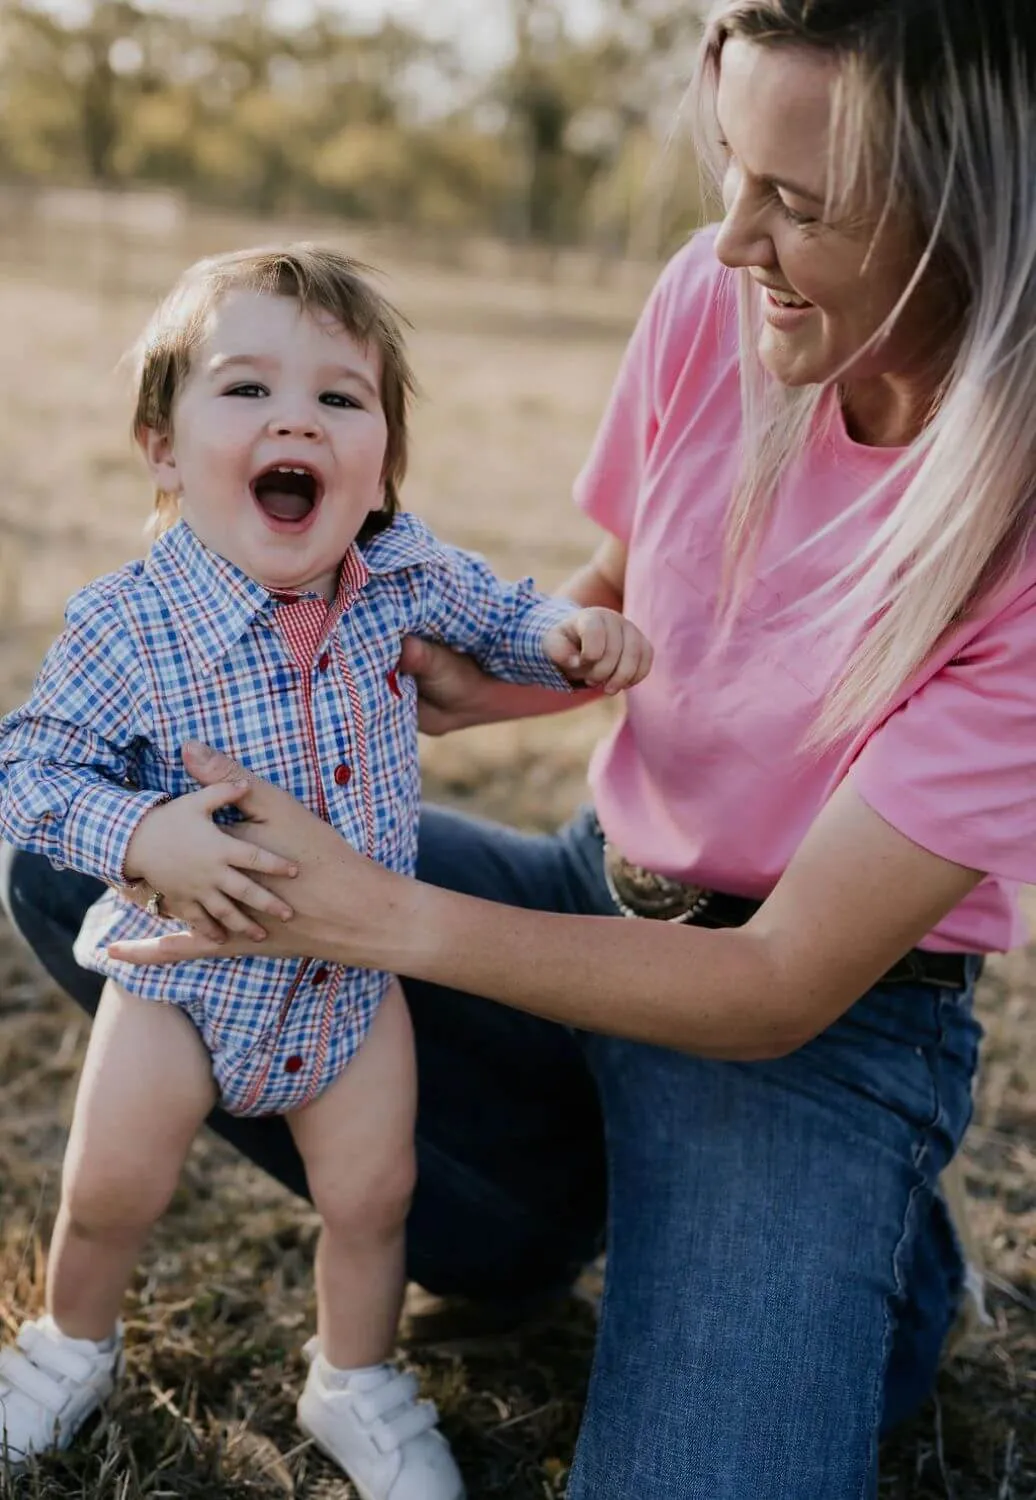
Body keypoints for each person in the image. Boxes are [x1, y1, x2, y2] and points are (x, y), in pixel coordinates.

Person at [3, 0, 1034, 1494]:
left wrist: (378, 916)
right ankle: (565, 1199)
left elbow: (773, 985)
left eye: (796, 206)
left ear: (967, 219)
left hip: (812, 1024)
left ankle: (858, 1244)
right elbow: (619, 598)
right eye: (731, 173)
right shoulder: (718, 298)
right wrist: (503, 684)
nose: (731, 242)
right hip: (593, 887)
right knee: (86, 869)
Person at [0, 244, 652, 1496]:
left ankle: (353, 1376)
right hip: (182, 983)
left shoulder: (397, 572)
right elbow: (30, 769)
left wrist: (570, 634)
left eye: (340, 399)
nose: (295, 415)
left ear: (378, 472)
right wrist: (144, 838)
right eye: (244, 390)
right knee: (112, 1186)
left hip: (350, 988)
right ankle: (68, 1343)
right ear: (161, 446)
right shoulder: (125, 623)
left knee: (372, 1195)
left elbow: (500, 611)